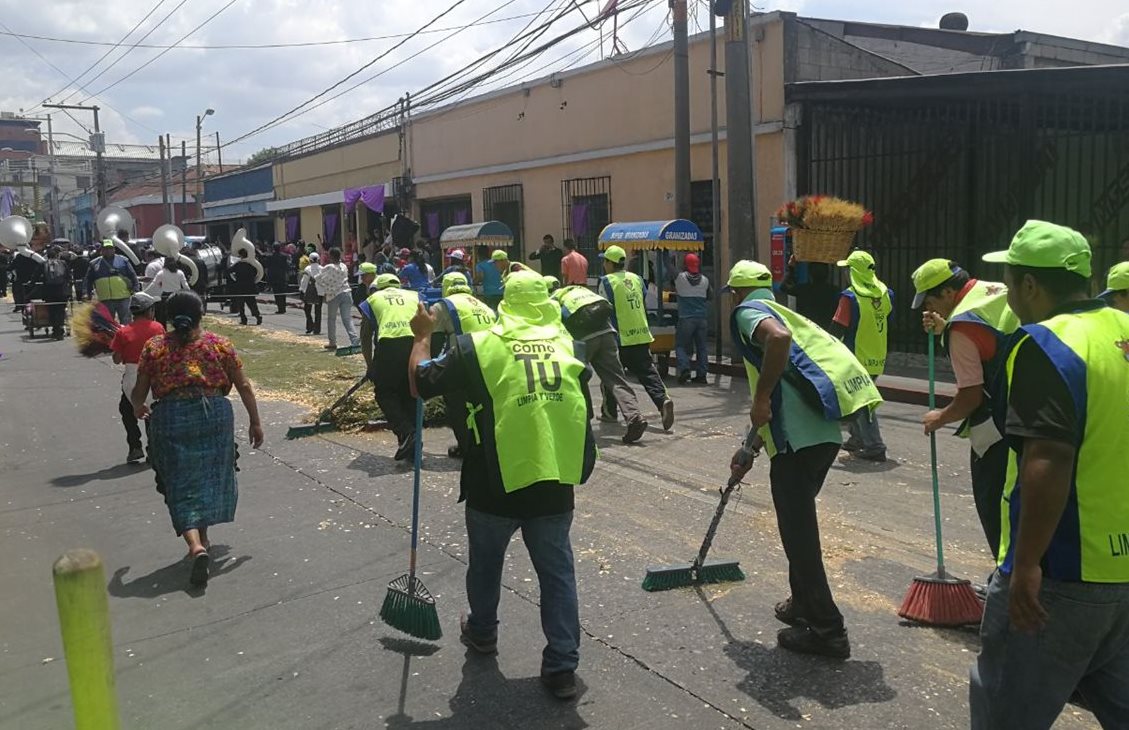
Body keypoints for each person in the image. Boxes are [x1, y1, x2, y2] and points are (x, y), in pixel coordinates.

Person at [409, 269, 597, 701]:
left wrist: (422, 336)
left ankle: (482, 631)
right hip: (553, 478)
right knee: (557, 574)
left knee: (486, 563)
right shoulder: (570, 346)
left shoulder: (478, 346)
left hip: (494, 479)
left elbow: (420, 382)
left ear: (504, 303)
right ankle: (562, 666)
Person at [969, 220, 1129, 729]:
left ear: (1030, 285)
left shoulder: (1045, 344)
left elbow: (1049, 459)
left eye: (1010, 283)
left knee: (1006, 712)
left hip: (1063, 570)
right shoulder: (1122, 330)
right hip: (1122, 569)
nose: (1009, 295)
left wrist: (1026, 565)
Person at [726, 260, 882, 659]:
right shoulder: (782, 311)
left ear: (737, 292)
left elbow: (776, 345)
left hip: (797, 444)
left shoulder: (749, 313)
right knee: (797, 527)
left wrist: (761, 398)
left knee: (800, 539)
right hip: (822, 438)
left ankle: (828, 631)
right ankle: (801, 603)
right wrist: (750, 448)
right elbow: (782, 393)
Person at [132, 290, 264, 588]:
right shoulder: (219, 344)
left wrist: (138, 406)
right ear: (200, 315)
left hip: (171, 416)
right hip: (214, 416)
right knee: (206, 477)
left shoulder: (154, 347)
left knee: (178, 481)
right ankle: (203, 539)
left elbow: (139, 391)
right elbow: (244, 386)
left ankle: (196, 545)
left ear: (167, 317)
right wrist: (255, 422)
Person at [914, 258, 1019, 560]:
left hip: (999, 428)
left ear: (948, 292)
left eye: (930, 301)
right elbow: (995, 340)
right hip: (1031, 410)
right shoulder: (996, 290)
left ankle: (1006, 575)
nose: (929, 309)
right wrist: (945, 328)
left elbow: (971, 397)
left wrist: (939, 417)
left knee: (996, 505)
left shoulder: (961, 327)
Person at [551, 277, 648, 444]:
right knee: (616, 379)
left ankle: (584, 419)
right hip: (608, 334)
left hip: (584, 339)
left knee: (577, 378)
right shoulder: (581, 291)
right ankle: (634, 416)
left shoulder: (553, 300)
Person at [597, 245, 674, 430]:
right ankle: (662, 400)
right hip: (641, 334)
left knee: (611, 377)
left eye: (604, 261)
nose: (603, 265)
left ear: (609, 263)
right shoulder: (637, 279)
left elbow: (603, 308)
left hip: (619, 338)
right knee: (648, 373)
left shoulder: (606, 282)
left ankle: (610, 412)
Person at [831, 251, 892, 462]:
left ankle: (875, 446)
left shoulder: (849, 297)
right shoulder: (885, 294)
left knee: (862, 402)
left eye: (848, 269)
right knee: (856, 398)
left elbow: (837, 328)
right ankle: (857, 438)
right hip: (877, 355)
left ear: (853, 272)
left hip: (855, 357)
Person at [429, 271, 497, 457]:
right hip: (490, 358)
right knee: (482, 403)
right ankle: (485, 444)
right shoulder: (483, 305)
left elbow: (435, 343)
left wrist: (430, 370)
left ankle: (466, 448)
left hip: (464, 358)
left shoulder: (442, 306)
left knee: (456, 404)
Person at [359, 273, 420, 460]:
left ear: (378, 287)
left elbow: (365, 335)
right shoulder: (414, 296)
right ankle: (411, 442)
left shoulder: (373, 299)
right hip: (414, 344)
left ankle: (407, 432)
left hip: (389, 344)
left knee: (384, 392)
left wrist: (370, 365)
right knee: (409, 392)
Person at [111, 293, 165, 463]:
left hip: (131, 376)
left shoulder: (123, 332)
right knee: (152, 412)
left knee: (127, 410)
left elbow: (116, 359)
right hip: (153, 375)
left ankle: (135, 446)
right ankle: (153, 448)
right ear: (150, 311)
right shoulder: (158, 328)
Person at [673, 253, 710, 384]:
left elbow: (668, 266)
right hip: (702, 318)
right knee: (702, 347)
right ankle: (702, 375)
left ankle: (685, 369)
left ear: (685, 265)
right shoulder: (705, 280)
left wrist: (664, 250)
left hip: (686, 318)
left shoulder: (680, 277)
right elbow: (709, 296)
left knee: (680, 345)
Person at [85, 239, 140, 324]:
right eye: (105, 248)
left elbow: (133, 275)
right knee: (107, 324)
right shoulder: (94, 263)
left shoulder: (123, 260)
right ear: (101, 250)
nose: (108, 250)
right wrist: (86, 293)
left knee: (126, 322)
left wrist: (136, 289)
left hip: (123, 298)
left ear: (114, 249)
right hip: (105, 299)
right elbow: (88, 280)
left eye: (110, 248)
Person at [315, 248, 360, 351]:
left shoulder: (329, 267)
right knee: (347, 318)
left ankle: (332, 342)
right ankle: (354, 339)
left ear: (331, 256)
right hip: (346, 292)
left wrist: (325, 285)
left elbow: (318, 277)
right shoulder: (343, 266)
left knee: (331, 319)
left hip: (334, 295)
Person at [781, 258, 841, 332]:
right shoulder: (834, 291)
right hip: (826, 332)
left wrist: (791, 268)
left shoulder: (803, 289)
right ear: (828, 274)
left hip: (807, 330)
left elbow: (784, 287)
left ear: (810, 274)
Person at [38, 246, 71, 340]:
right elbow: (68, 275)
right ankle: (60, 329)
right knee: (61, 310)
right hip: (61, 291)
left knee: (52, 310)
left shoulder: (43, 264)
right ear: (57, 255)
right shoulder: (63, 263)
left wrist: (32, 282)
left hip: (49, 292)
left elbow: (36, 275)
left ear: (47, 256)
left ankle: (55, 330)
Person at [228, 248, 263, 326]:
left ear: (240, 256)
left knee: (241, 305)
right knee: (252, 304)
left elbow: (229, 270)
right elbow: (256, 272)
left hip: (240, 287)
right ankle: (258, 316)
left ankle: (244, 319)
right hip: (250, 287)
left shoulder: (238, 264)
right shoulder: (251, 264)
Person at [299, 251, 323, 335]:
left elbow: (304, 281)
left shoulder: (307, 269)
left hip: (309, 291)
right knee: (318, 311)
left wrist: (302, 290)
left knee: (307, 309)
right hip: (320, 292)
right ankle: (317, 329)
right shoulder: (322, 269)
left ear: (310, 260)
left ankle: (310, 326)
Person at [266, 242, 291, 314]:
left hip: (274, 277)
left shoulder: (270, 257)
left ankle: (280, 308)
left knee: (277, 294)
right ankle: (283, 308)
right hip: (282, 277)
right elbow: (287, 267)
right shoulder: (284, 256)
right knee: (283, 293)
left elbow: (267, 267)